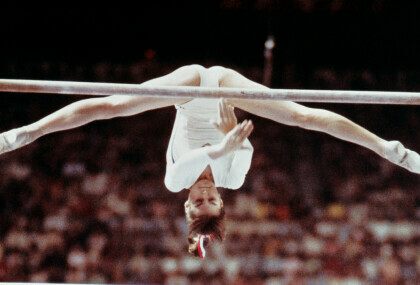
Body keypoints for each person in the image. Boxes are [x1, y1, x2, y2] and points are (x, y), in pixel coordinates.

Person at [1, 64, 419, 258]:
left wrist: (223, 144)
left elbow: (203, 157)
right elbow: (239, 148)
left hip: (188, 92)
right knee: (303, 117)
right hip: (223, 90)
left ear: (186, 205)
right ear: (222, 202)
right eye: (211, 202)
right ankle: (389, 148)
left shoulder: (173, 182)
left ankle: (25, 132)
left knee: (111, 106)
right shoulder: (233, 180)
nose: (203, 196)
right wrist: (229, 135)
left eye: (196, 203)